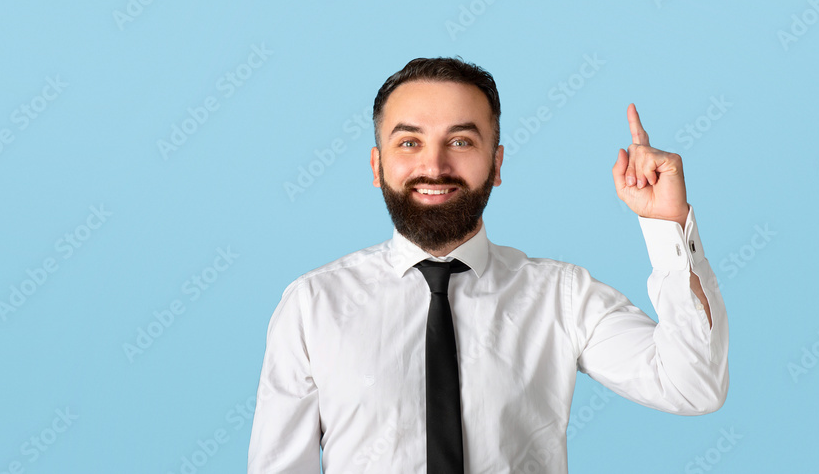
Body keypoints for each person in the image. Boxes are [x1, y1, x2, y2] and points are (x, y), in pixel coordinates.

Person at [248, 56, 728, 473]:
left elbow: (694, 386)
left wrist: (667, 225)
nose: (434, 166)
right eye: (409, 143)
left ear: (497, 165)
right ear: (377, 165)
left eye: (460, 142)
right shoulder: (312, 306)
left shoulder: (562, 297)